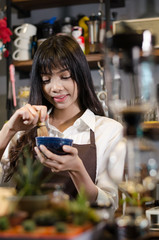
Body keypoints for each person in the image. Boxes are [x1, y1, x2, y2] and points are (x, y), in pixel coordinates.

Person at [0, 34, 123, 211]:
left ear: (81, 75)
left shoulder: (109, 131)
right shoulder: (24, 129)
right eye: (46, 80)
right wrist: (9, 129)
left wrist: (77, 169)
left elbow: (109, 206)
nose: (55, 88)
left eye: (65, 76)